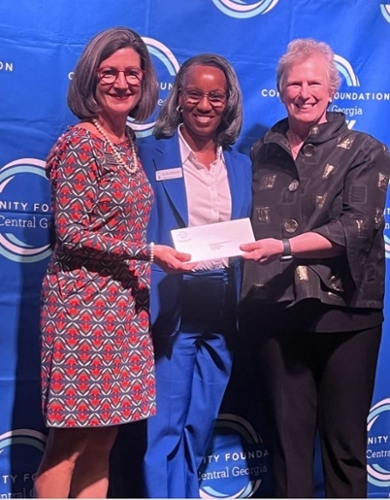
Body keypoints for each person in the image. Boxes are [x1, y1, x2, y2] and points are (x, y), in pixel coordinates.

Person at [34, 26, 193, 499]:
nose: (122, 83)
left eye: (131, 73)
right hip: (81, 310)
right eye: (110, 73)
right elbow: (71, 232)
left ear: (145, 82)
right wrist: (150, 252)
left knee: (104, 437)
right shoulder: (81, 142)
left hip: (124, 309)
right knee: (69, 442)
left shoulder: (125, 144)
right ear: (90, 78)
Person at [239, 38, 390, 498]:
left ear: (332, 89)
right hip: (274, 311)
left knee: (345, 447)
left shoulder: (365, 149)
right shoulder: (258, 151)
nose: (304, 92)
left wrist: (284, 246)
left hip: (347, 314)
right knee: (287, 448)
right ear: (280, 90)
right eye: (294, 83)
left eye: (314, 82)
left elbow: (357, 227)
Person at [137, 53, 252, 497]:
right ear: (179, 98)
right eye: (195, 94)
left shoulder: (241, 165)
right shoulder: (150, 154)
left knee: (199, 426)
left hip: (223, 307)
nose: (205, 105)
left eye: (215, 96)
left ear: (228, 103)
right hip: (173, 305)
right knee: (162, 429)